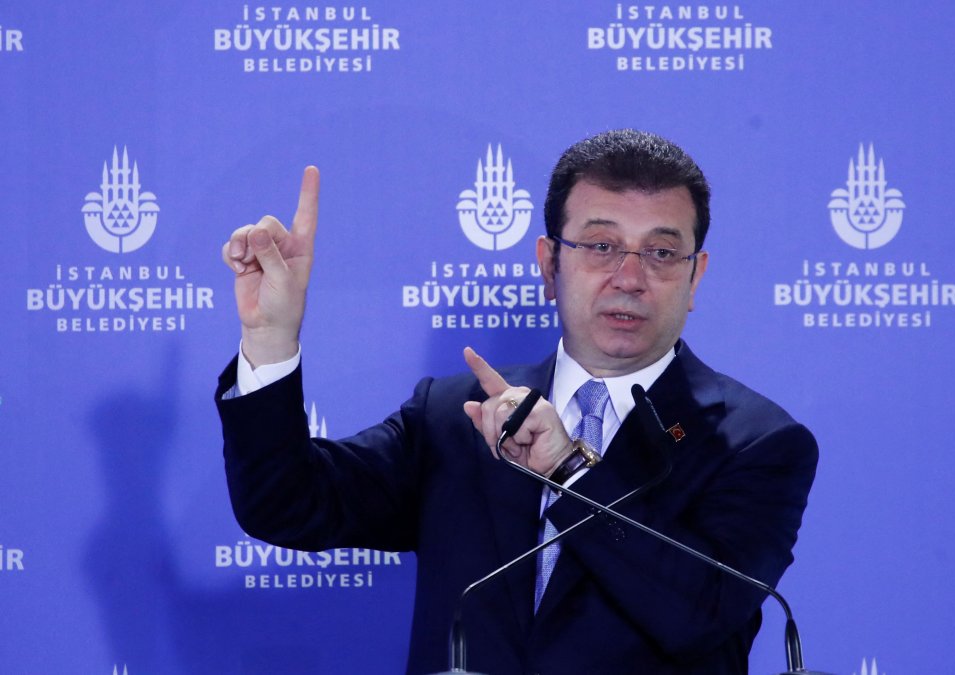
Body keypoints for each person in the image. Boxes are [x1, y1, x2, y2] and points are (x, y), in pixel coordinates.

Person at [215, 129, 818, 675]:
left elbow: (699, 613)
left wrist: (568, 471)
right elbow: (286, 504)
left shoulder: (755, 441)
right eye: (601, 246)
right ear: (549, 263)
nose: (630, 278)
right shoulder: (456, 415)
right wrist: (270, 339)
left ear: (696, 277)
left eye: (661, 253)